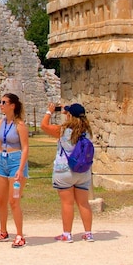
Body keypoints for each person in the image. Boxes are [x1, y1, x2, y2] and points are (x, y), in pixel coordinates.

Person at [40, 102, 94, 243]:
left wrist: (49, 112)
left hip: (65, 170)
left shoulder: (63, 130)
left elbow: (44, 126)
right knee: (84, 203)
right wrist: (69, 111)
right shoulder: (87, 132)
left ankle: (67, 234)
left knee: (67, 203)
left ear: (70, 115)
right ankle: (88, 233)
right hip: (83, 171)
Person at [0, 93, 30, 248]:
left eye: (4, 102)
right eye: (0, 102)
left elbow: (25, 148)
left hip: (15, 161)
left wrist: (20, 168)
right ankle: (3, 231)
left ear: (13, 105)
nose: (1, 105)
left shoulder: (20, 125)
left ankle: (19, 234)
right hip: (3, 162)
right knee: (0, 199)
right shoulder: (0, 123)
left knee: (14, 201)